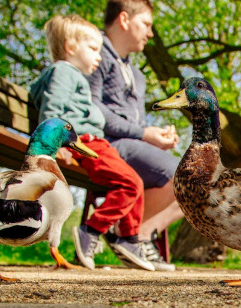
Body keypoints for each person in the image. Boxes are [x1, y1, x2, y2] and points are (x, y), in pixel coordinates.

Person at [29, 14, 156, 271]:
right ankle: (92, 229)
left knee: (134, 181)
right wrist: (54, 148)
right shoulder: (64, 71)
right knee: (131, 183)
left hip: (95, 143)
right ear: (71, 47)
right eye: (94, 49)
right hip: (84, 142)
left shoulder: (74, 76)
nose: (99, 56)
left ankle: (130, 238)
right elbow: (53, 109)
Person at [87, 0, 183, 271]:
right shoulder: (95, 55)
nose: (150, 33)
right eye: (146, 24)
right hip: (105, 146)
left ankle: (137, 237)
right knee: (186, 173)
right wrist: (144, 133)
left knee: (197, 182)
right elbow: (93, 111)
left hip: (131, 145)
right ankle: (126, 236)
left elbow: (138, 122)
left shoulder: (138, 75)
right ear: (125, 20)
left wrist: (159, 136)